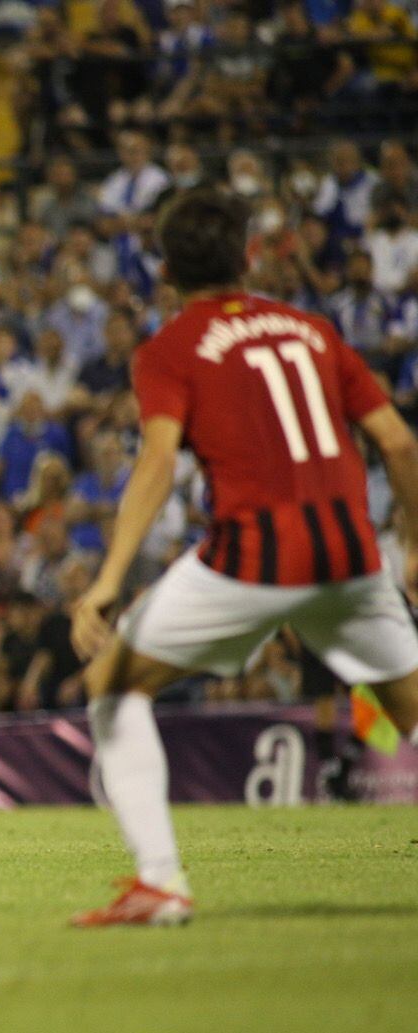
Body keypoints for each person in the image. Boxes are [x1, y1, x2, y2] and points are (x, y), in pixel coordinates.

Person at [72, 188, 418, 927]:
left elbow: (157, 463)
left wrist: (106, 582)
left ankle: (161, 884)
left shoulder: (168, 351)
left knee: (114, 684)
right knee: (410, 711)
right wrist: (414, 546)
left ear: (165, 272)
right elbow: (397, 441)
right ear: (250, 255)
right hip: (351, 556)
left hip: (253, 557)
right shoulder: (313, 331)